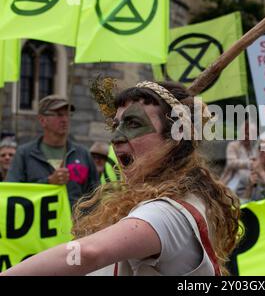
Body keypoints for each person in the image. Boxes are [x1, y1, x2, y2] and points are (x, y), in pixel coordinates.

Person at [1, 81, 240, 276]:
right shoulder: (161, 201)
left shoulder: (167, 212)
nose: (116, 137)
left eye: (133, 123)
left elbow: (88, 253)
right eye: (116, 125)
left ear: (174, 138)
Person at [6, 95, 99, 208]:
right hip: (39, 223)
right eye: (59, 115)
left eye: (68, 114)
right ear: (42, 120)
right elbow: (12, 194)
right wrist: (48, 182)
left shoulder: (83, 153)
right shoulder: (24, 154)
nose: (65, 120)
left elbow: (96, 195)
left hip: (76, 224)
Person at [220, 119, 257, 192]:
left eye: (249, 134)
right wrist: (249, 164)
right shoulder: (233, 145)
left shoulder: (256, 148)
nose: (246, 136)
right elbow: (231, 163)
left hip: (252, 182)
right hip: (234, 180)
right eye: (244, 133)